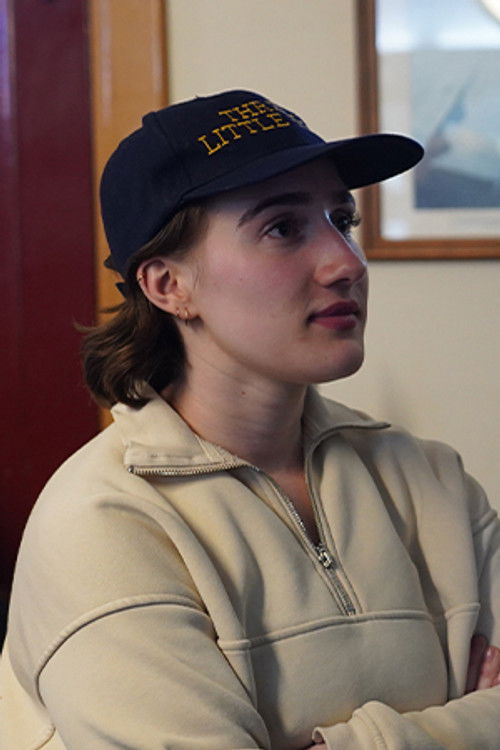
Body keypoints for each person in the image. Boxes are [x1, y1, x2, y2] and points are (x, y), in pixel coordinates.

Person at [0, 89, 499, 749]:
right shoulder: (102, 524)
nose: (346, 263)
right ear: (168, 285)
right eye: (282, 228)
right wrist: (464, 725)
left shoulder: (430, 480)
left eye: (342, 219)